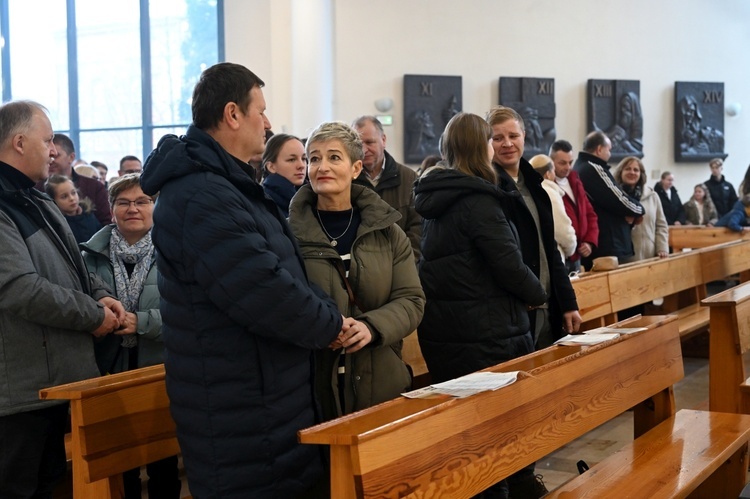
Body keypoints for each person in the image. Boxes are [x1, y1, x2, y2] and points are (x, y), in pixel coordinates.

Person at [139, 62, 343, 499]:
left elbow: (284, 270)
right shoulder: (200, 195)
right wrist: (330, 323)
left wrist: (324, 312)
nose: (267, 123)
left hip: (264, 397)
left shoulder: (226, 185)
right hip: (241, 411)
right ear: (232, 114)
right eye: (261, 110)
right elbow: (264, 291)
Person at [414, 112, 547, 499]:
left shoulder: (436, 199)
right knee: (495, 437)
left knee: (470, 439)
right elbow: (509, 265)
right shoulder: (478, 201)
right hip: (486, 335)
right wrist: (538, 294)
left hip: (448, 334)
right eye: (491, 140)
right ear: (480, 147)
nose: (497, 147)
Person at [0, 100, 124, 498]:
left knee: (55, 485)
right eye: (48, 140)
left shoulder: (35, 200)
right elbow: (19, 287)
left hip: (57, 381)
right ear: (19, 142)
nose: (55, 150)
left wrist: (102, 295)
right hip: (20, 390)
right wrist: (92, 316)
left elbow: (76, 264)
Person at [288, 122, 425, 421]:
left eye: (334, 157)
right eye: (313, 158)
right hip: (313, 387)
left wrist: (371, 327)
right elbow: (282, 303)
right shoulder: (288, 236)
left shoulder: (387, 233)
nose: (322, 166)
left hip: (379, 381)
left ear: (355, 168)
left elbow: (411, 300)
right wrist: (321, 328)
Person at [486, 105, 580, 498]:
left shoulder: (535, 184)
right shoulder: (487, 186)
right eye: (498, 137)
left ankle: (525, 473)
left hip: (544, 307)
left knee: (534, 399)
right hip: (511, 310)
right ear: (487, 143)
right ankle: (508, 479)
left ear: (525, 138)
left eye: (513, 136)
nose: (507, 143)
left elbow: (549, 251)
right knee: (509, 402)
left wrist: (568, 301)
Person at [80, 173, 180, 499]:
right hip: (108, 371)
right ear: (111, 209)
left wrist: (141, 322)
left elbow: (189, 315)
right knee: (118, 469)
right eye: (123, 202)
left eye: (142, 201)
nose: (132, 208)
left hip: (160, 371)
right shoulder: (88, 259)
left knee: (163, 463)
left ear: (156, 206)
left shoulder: (175, 253)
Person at [352, 115, 421, 260]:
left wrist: (405, 263)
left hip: (403, 263)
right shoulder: (348, 181)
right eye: (358, 144)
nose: (364, 150)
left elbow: (417, 227)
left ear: (383, 140)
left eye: (370, 142)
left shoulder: (409, 178)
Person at [573, 131, 644, 267]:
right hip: (607, 243)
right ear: (599, 149)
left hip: (598, 241)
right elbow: (619, 199)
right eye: (609, 150)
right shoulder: (594, 168)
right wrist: (640, 209)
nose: (610, 154)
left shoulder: (580, 167)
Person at [550, 139, 599, 274]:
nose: (567, 167)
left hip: (577, 256)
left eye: (570, 162)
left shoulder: (575, 180)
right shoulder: (546, 185)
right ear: (551, 161)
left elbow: (590, 214)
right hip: (560, 255)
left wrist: (589, 241)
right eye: (562, 163)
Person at [42, 133, 112, 225]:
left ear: (71, 157)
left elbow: (107, 223)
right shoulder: (36, 189)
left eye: (56, 156)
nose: (51, 160)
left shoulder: (94, 187)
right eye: (48, 156)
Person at [613, 157, 669, 262]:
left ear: (641, 174)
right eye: (627, 169)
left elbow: (661, 225)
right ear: (620, 172)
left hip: (650, 256)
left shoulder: (652, 196)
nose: (632, 172)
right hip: (623, 259)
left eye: (636, 170)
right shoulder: (614, 195)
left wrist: (662, 248)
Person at [529, 154, 577, 262]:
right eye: (553, 171)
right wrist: (571, 248)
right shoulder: (549, 192)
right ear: (548, 174)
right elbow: (561, 229)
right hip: (551, 257)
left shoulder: (527, 191)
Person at [44, 174, 102, 243]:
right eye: (64, 196)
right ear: (53, 201)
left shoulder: (89, 215)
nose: (72, 198)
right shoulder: (56, 224)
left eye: (73, 193)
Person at [261, 133, 307, 217]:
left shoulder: (311, 197)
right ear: (271, 167)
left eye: (304, 159)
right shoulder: (264, 202)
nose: (301, 165)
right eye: (292, 160)